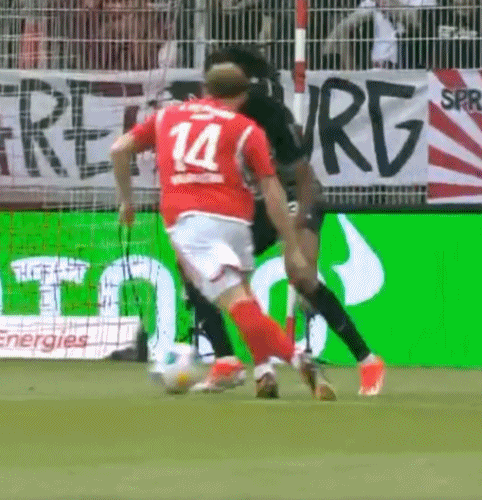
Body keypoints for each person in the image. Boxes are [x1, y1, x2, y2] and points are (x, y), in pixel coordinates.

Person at [109, 62, 335, 401]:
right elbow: (273, 190)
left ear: (205, 89)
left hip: (191, 223)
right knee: (244, 298)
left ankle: (298, 359)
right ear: (243, 96)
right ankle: (262, 371)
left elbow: (119, 149)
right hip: (237, 222)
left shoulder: (167, 116)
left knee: (236, 303)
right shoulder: (247, 129)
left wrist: (127, 202)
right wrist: (291, 244)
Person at [186, 45, 386, 396]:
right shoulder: (205, 119)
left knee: (300, 275)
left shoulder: (267, 113)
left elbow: (302, 175)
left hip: (295, 193)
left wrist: (298, 228)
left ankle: (367, 360)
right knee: (207, 272)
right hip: (256, 202)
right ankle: (242, 365)